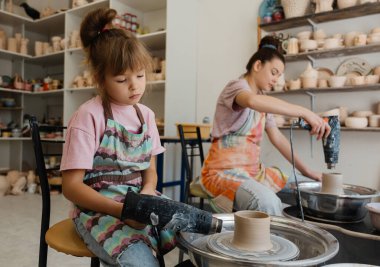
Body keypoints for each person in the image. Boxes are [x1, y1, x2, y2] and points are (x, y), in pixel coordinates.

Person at [60, 8, 175, 267]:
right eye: (122, 79)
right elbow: (71, 187)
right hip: (97, 209)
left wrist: (145, 196)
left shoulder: (146, 115)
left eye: (141, 75)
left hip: (139, 199)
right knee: (141, 262)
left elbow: (151, 171)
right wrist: (125, 211)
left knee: (196, 234)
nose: (135, 86)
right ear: (100, 78)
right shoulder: (89, 115)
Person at [199, 36, 331, 216]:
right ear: (258, 65)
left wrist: (308, 171)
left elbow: (277, 138)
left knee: (310, 188)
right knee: (267, 202)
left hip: (254, 172)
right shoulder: (236, 88)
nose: (276, 79)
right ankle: (272, 242)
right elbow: (252, 101)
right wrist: (304, 112)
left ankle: (294, 238)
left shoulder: (262, 99)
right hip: (222, 172)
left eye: (279, 75)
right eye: (274, 72)